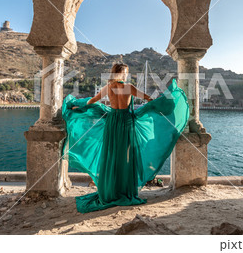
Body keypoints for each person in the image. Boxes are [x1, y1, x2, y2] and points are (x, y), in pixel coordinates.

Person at [61, 62, 189, 213]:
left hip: (112, 122)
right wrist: (167, 101)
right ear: (122, 74)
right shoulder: (129, 88)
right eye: (126, 73)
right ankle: (125, 191)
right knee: (127, 157)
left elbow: (91, 101)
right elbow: (150, 100)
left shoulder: (108, 88)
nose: (126, 75)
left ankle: (110, 191)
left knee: (111, 155)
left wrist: (78, 107)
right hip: (127, 122)